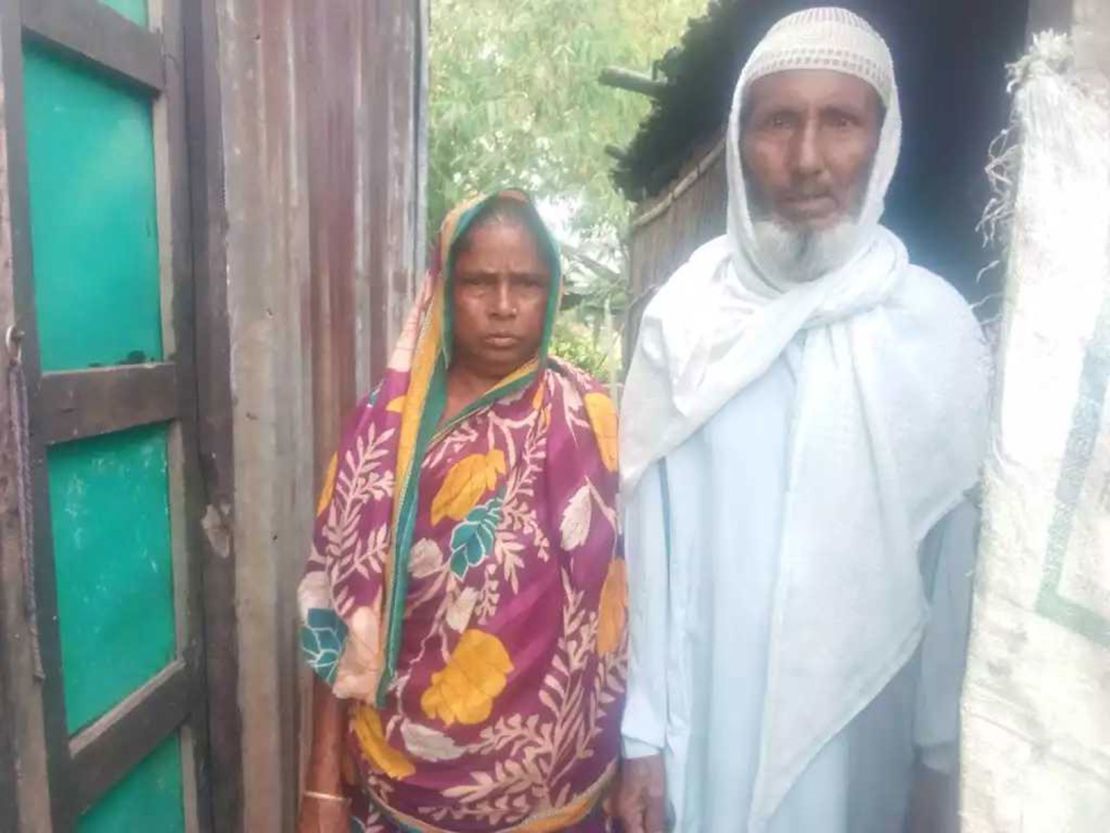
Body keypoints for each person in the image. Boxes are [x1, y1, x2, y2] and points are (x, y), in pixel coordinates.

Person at [616, 8, 989, 833]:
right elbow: (652, 547)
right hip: (708, 730)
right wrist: (642, 737)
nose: (809, 159)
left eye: (841, 122)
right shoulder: (685, 323)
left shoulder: (937, 333)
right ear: (741, 140)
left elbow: (955, 571)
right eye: (779, 122)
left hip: (867, 740)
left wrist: (939, 757)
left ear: (882, 142)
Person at [297, 191, 626, 833]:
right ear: (443, 288)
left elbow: (632, 601)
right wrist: (321, 786)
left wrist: (640, 760)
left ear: (552, 290)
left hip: (562, 805)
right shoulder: (383, 428)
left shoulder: (592, 418)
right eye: (479, 282)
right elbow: (334, 608)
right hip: (403, 797)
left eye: (526, 283)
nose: (504, 307)